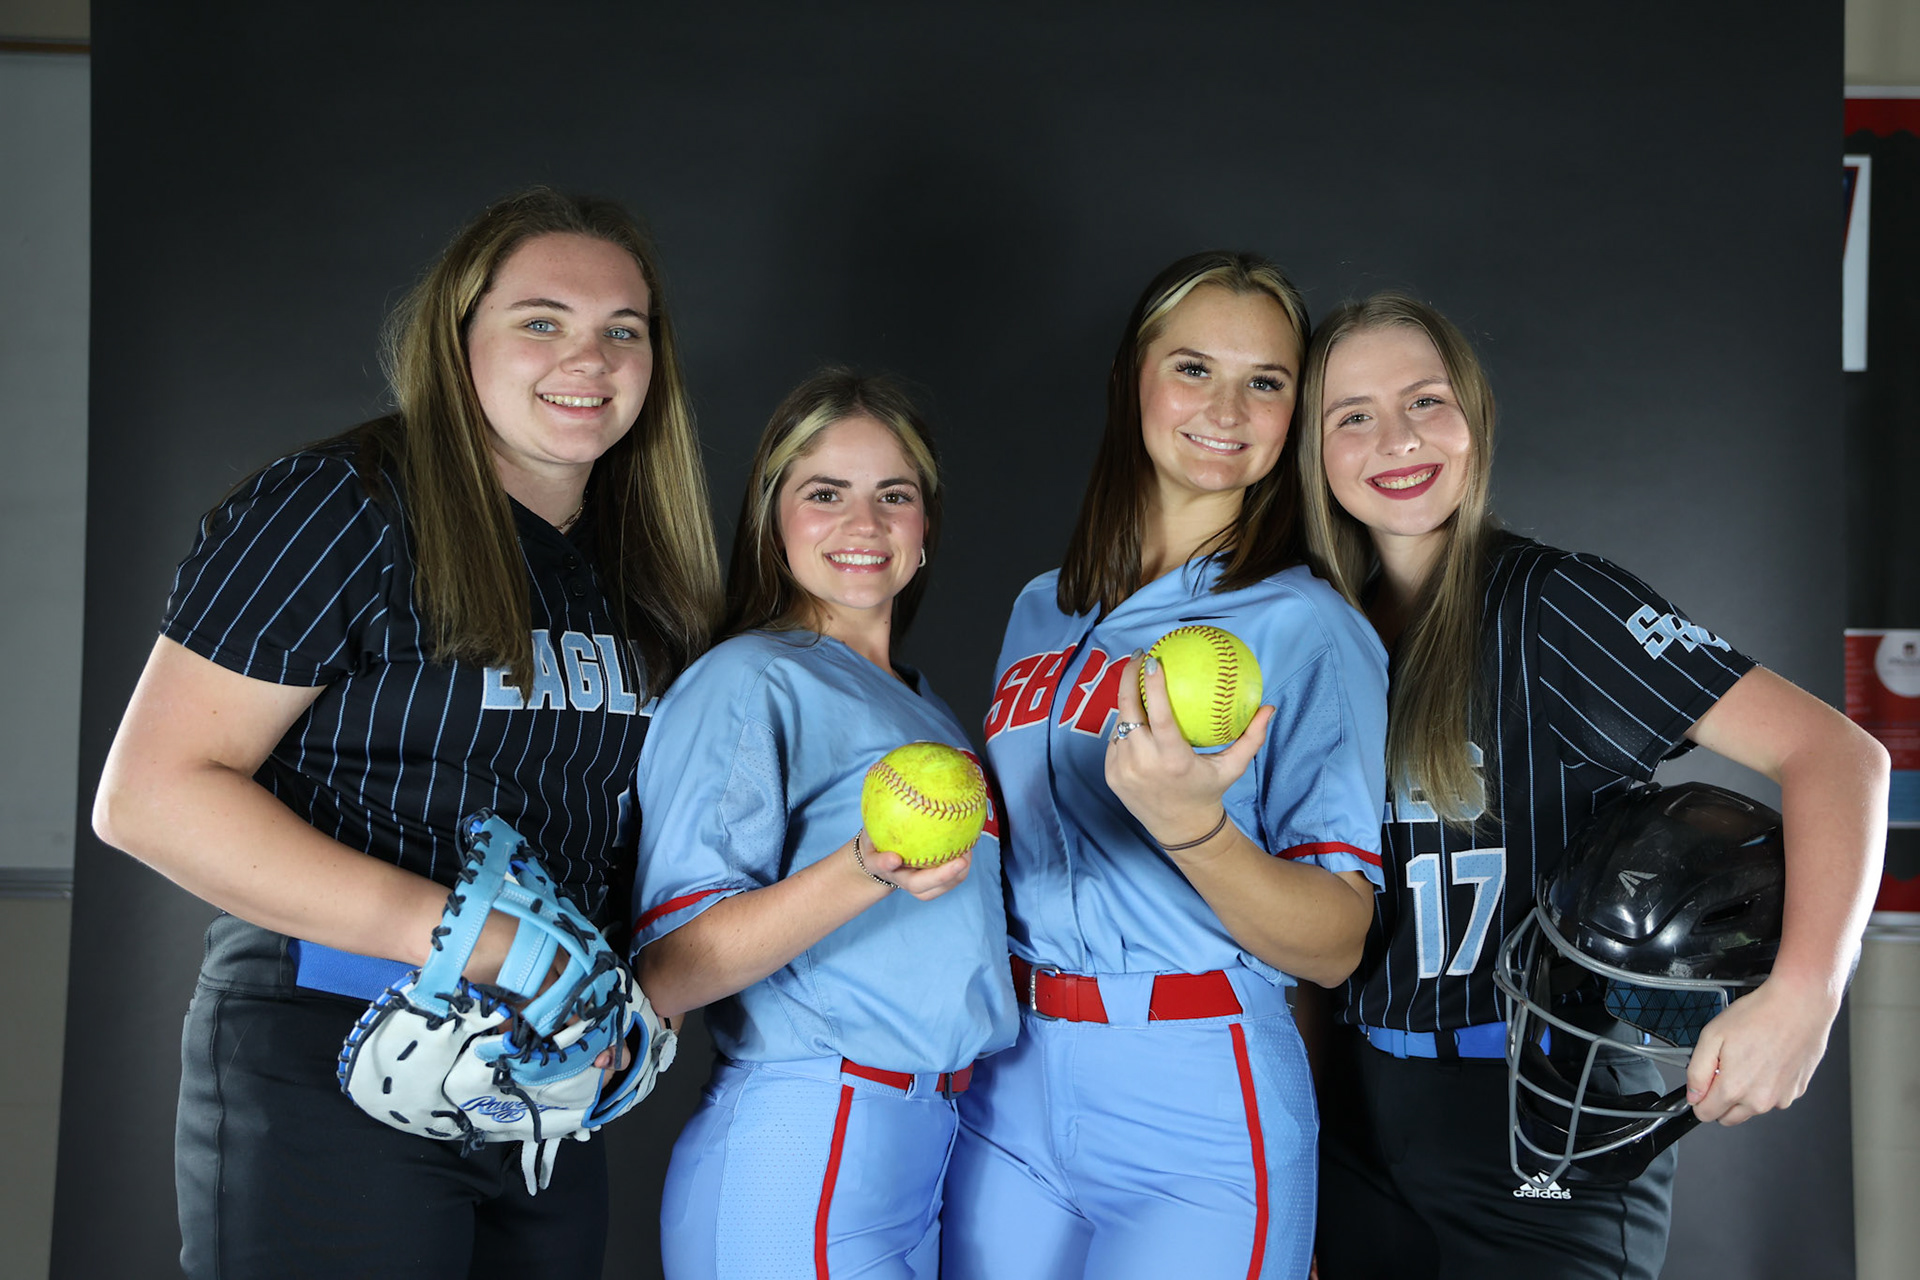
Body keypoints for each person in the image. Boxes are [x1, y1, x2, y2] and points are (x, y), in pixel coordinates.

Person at [91, 188, 723, 1279]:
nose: (591, 356)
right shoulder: (340, 506)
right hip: (333, 1048)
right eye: (542, 321)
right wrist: (474, 937)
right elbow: (151, 792)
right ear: (457, 337)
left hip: (539, 1083)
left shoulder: (639, 576)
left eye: (626, 329)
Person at [1297, 292, 1890, 1279]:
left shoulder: (1554, 601)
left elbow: (1839, 756)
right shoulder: (1326, 634)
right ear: (1313, 452)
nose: (1395, 438)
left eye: (1425, 400)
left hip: (1539, 1108)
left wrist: (1804, 993)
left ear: (1473, 417)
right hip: (1361, 1121)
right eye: (1351, 414)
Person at [940, 251, 1391, 1280]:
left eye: (1266, 380)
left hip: (1195, 1079)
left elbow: (1336, 942)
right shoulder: (1039, 606)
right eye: (1193, 368)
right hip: (1011, 1072)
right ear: (1131, 380)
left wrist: (1198, 828)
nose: (1226, 407)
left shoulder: (1307, 623)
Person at [631, 369, 1018, 1280]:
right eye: (825, 494)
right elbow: (672, 970)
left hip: (933, 1143)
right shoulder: (750, 679)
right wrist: (865, 867)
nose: (865, 524)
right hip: (806, 1138)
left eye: (895, 495)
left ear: (925, 529)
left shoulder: (923, 706)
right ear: (774, 519)